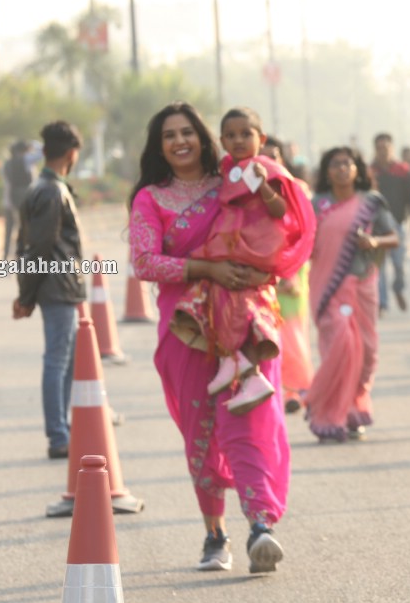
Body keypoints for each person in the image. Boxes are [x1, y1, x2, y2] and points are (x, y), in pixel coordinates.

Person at [128, 101, 290, 575]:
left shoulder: (233, 180)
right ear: (159, 147)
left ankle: (261, 524)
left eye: (187, 133)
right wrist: (207, 268)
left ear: (203, 137)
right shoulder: (150, 199)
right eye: (168, 136)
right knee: (201, 430)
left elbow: (274, 223)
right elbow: (145, 263)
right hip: (186, 331)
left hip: (244, 322)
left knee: (250, 415)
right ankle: (215, 534)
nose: (179, 142)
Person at [170, 106, 315, 416]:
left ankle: (249, 371)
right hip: (230, 247)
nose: (238, 140)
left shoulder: (266, 169)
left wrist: (262, 187)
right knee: (221, 301)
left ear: (260, 138)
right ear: (222, 140)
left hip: (254, 249)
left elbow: (280, 211)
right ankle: (235, 363)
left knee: (243, 309)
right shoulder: (225, 171)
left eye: (245, 134)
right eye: (231, 135)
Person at [303, 146, 399, 442]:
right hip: (330, 289)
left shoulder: (371, 203)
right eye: (335, 164)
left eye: (347, 163)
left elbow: (394, 237)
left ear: (357, 168)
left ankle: (354, 409)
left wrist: (373, 242)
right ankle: (328, 413)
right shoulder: (316, 204)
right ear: (326, 171)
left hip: (362, 285)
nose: (342, 169)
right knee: (341, 347)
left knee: (367, 353)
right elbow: (302, 241)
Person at [12, 121, 86, 460]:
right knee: (57, 360)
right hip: (56, 287)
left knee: (65, 360)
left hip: (57, 287)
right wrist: (26, 296)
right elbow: (39, 248)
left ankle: (64, 429)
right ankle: (58, 436)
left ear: (45, 150)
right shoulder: (53, 192)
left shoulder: (40, 188)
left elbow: (23, 245)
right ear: (72, 153)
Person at [263, 135, 315, 414]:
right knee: (267, 337)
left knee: (293, 336)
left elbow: (305, 235)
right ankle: (276, 391)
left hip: (292, 273)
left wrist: (290, 274)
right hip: (260, 276)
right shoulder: (245, 191)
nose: (270, 162)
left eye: (275, 156)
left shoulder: (298, 190)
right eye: (264, 156)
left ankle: (297, 389)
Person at [370, 132, 410, 315]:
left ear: (392, 148)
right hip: (376, 226)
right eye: (379, 148)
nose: (382, 152)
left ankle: (398, 288)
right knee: (378, 266)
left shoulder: (403, 170)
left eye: (385, 148)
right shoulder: (370, 172)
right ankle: (381, 302)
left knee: (399, 264)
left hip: (398, 223)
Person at [2, 141, 34, 260]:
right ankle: (19, 257)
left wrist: (7, 201)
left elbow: (7, 184)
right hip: (19, 201)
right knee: (22, 230)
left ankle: (6, 259)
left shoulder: (7, 164)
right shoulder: (25, 162)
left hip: (9, 201)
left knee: (9, 232)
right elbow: (42, 152)